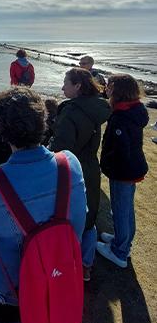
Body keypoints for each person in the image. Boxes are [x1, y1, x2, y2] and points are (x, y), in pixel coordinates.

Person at [0, 88, 86, 323]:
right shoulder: (70, 164)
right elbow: (80, 219)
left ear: (0, 128)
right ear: (43, 120)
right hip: (59, 277)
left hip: (9, 290)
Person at [50, 68, 111, 282]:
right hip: (90, 165)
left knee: (72, 216)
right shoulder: (97, 106)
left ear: (77, 86)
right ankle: (86, 264)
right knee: (89, 215)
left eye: (65, 83)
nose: (62, 87)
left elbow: (61, 148)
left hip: (72, 168)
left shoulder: (71, 111)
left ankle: (69, 265)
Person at [97, 74, 149, 268]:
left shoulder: (121, 117)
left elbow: (120, 150)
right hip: (131, 168)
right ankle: (122, 242)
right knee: (125, 210)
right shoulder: (134, 108)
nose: (106, 88)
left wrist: (108, 167)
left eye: (109, 85)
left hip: (124, 171)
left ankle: (119, 251)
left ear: (118, 90)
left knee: (120, 210)